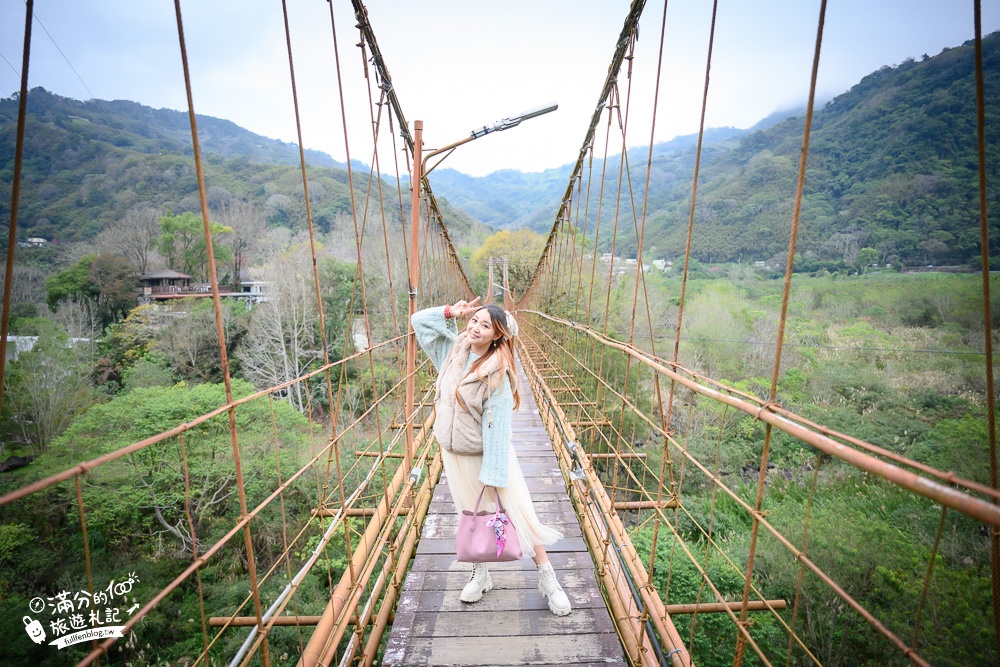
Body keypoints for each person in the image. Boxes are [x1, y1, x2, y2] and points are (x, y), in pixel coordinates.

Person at [411, 297, 571, 616]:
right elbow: (418, 322)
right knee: (472, 517)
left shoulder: (496, 372)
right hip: (454, 455)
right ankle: (481, 574)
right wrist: (450, 312)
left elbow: (497, 428)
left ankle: (548, 580)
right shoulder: (452, 352)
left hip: (487, 456)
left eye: (485, 325)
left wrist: (494, 476)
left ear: (497, 335)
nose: (475, 327)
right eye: (474, 320)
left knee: (517, 514)